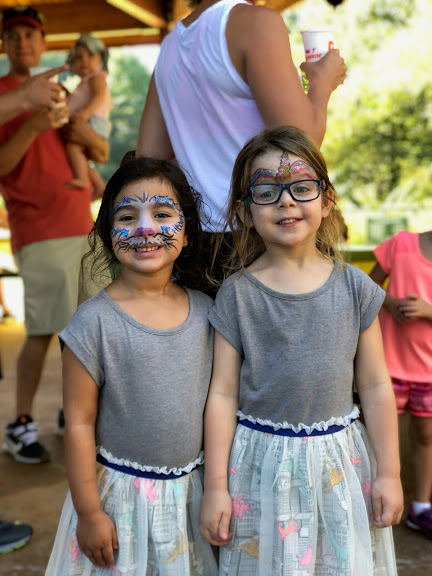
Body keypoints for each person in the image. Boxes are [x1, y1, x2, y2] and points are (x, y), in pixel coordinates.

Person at [200, 126, 403, 574]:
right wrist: (215, 486)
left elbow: (374, 384)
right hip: (259, 468)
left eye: (302, 187)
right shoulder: (236, 295)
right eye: (267, 191)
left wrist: (389, 472)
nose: (286, 201)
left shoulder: (356, 288)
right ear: (244, 211)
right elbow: (223, 394)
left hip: (338, 465)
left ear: (326, 200)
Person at [45, 157, 218, 575]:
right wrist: (89, 513)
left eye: (162, 214)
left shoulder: (209, 312)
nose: (144, 228)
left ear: (187, 233)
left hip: (190, 498)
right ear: (108, 234)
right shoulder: (93, 322)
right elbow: (79, 423)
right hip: (118, 504)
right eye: (127, 217)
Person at [137, 0, 346, 285]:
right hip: (268, 236)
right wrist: (321, 83)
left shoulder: (171, 46)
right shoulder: (255, 22)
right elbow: (299, 143)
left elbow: (150, 156)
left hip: (199, 242)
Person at [0, 5, 109, 464]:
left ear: (44, 44)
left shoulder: (61, 92)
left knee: (85, 328)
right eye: (13, 35)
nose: (22, 43)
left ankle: (74, 412)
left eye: (30, 35)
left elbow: (96, 149)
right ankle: (20, 423)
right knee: (44, 329)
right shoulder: (4, 95)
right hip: (38, 228)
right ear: (3, 45)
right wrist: (32, 124)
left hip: (81, 223)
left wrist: (82, 133)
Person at [370, 230, 432, 539]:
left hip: (428, 372)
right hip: (387, 366)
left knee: (425, 436)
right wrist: (391, 303)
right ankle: (372, 502)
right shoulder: (401, 244)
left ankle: (420, 507)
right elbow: (369, 286)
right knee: (379, 436)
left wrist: (428, 311)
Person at [66, 34, 112, 197]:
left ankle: (81, 179)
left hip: (93, 121)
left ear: (100, 58)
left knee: (72, 148)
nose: (84, 60)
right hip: (91, 120)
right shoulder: (86, 81)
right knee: (81, 157)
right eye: (79, 57)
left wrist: (85, 112)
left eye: (90, 55)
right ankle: (98, 185)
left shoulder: (96, 78)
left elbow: (99, 97)